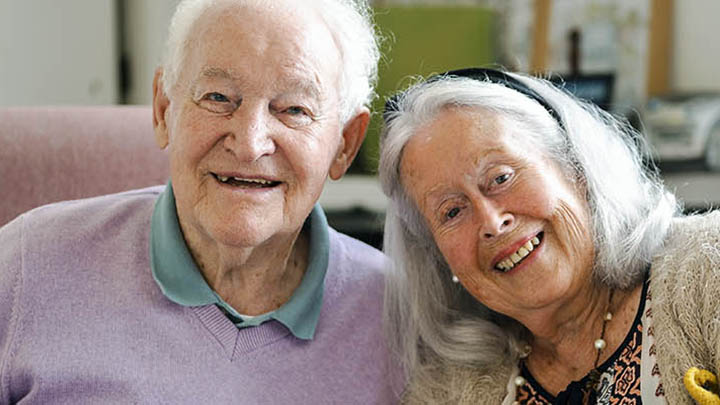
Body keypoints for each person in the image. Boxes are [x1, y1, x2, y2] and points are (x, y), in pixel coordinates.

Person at [0, 0, 402, 403]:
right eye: (218, 97)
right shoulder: (26, 267)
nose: (249, 144)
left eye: (294, 109)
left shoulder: (398, 318)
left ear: (344, 145)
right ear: (163, 110)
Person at [378, 67, 720, 404]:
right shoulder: (446, 392)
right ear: (438, 254)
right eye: (451, 212)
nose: (492, 222)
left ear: (576, 168)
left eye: (501, 178)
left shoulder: (709, 269)